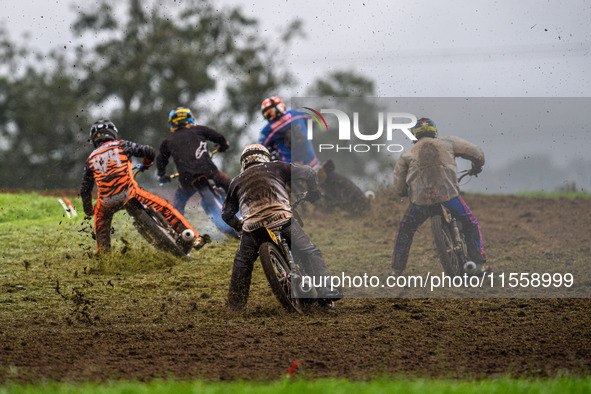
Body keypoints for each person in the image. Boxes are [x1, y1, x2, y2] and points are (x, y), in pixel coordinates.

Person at [221, 144, 342, 310]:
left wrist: (239, 226)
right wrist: (313, 192)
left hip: (252, 227)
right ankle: (327, 291)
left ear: (244, 163)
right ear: (265, 156)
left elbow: (226, 214)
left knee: (242, 263)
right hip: (282, 218)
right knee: (309, 251)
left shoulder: (236, 181)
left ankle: (235, 306)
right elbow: (308, 172)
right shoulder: (276, 166)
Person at [80, 120, 208, 253]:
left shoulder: (90, 160)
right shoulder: (122, 145)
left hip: (106, 202)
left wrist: (89, 211)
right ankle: (194, 238)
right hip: (130, 193)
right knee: (164, 207)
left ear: (94, 139)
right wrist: (147, 164)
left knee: (100, 224)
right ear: (112, 134)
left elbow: (85, 189)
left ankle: (103, 255)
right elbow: (149, 151)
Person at [390, 117, 489, 276]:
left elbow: (399, 186)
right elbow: (477, 153)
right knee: (471, 223)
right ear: (435, 132)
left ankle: (396, 269)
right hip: (449, 197)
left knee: (405, 230)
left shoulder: (406, 154)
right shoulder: (448, 142)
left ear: (415, 135)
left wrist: (404, 192)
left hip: (420, 202)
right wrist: (477, 167)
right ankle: (479, 263)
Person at [156, 107, 232, 215]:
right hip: (208, 170)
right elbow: (218, 137)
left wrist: (162, 175)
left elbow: (160, 160)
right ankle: (246, 205)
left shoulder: (168, 140)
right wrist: (223, 145)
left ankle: (178, 227)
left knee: (178, 203)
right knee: (229, 185)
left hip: (187, 177)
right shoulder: (198, 129)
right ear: (190, 118)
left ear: (172, 122)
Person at [259, 96, 322, 171]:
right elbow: (313, 122)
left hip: (291, 170)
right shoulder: (295, 114)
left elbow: (261, 149)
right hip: (313, 163)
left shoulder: (268, 129)